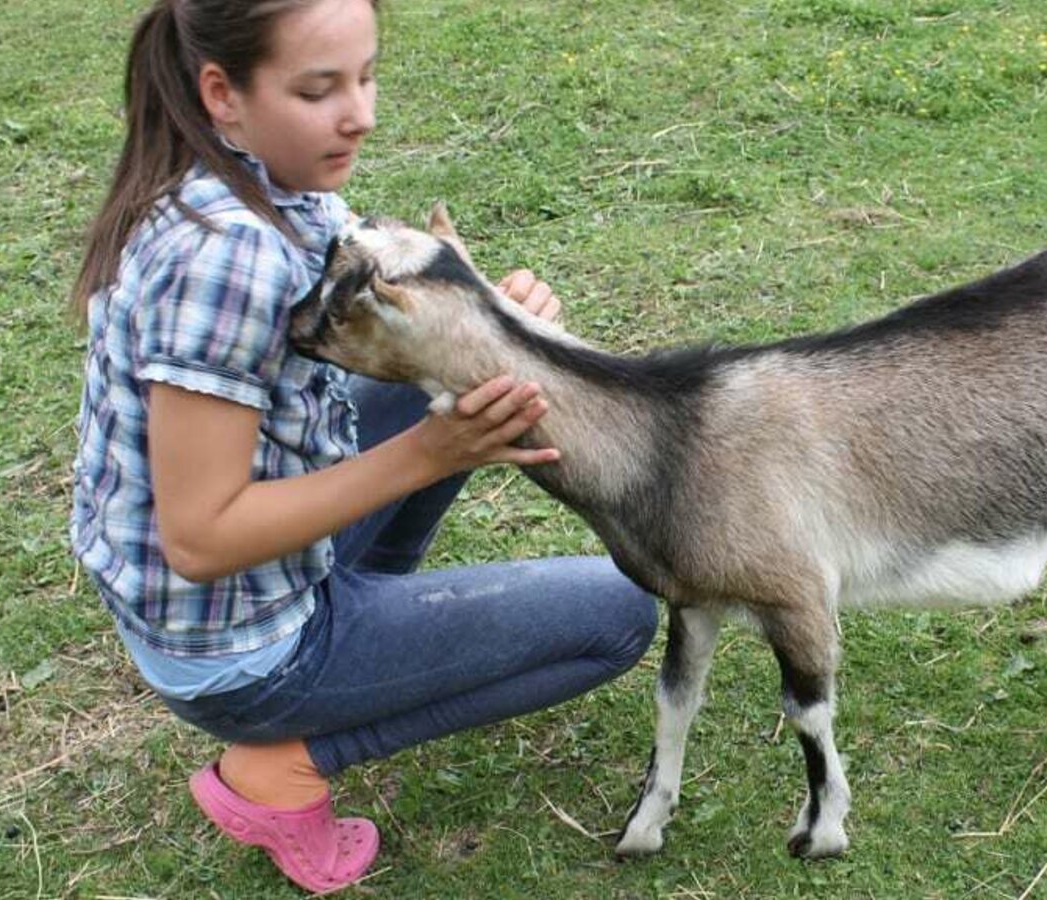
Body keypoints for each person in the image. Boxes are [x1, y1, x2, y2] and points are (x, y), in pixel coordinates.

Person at [67, 0, 658, 891]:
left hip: (248, 585)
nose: (362, 113)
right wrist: (429, 454)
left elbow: (358, 348)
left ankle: (366, 617)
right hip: (241, 652)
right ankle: (284, 763)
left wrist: (491, 327)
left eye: (367, 76)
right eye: (320, 89)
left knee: (451, 384)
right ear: (222, 92)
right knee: (621, 615)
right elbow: (199, 537)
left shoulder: (259, 176)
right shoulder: (224, 259)